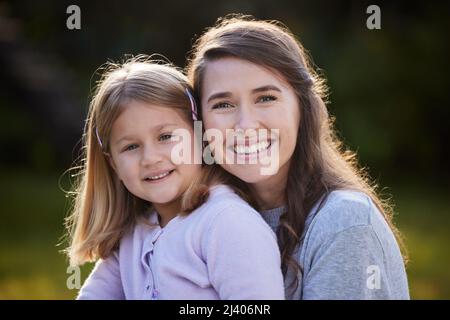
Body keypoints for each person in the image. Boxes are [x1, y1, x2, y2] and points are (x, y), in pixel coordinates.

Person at [186, 15, 410, 299]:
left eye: (266, 98)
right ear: (201, 123)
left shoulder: (344, 221)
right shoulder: (206, 221)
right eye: (223, 104)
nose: (246, 125)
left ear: (302, 108)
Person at [64, 56, 284, 299]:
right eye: (131, 147)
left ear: (201, 136)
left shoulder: (226, 222)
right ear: (113, 163)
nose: (150, 158)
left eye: (166, 137)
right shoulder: (134, 234)